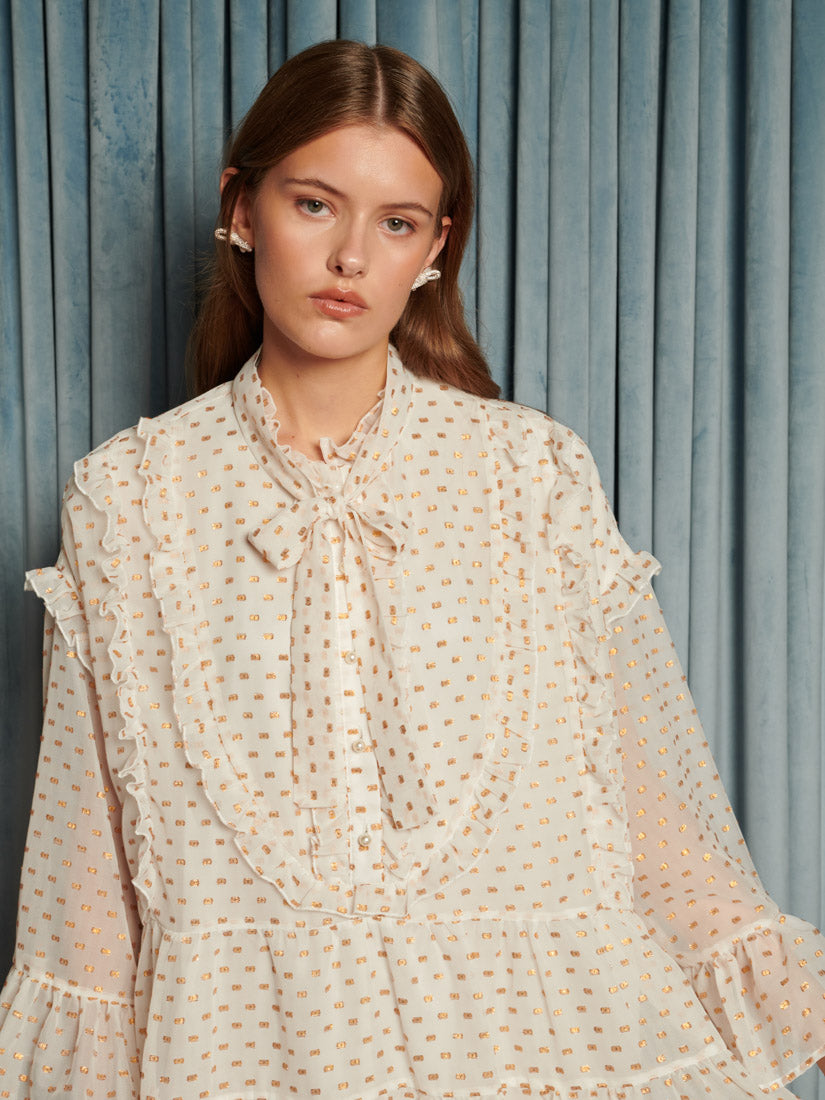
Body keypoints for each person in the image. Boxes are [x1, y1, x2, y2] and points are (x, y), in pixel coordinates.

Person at [0, 38, 823, 1100]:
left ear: (436, 247)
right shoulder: (130, 496)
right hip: (251, 1054)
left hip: (546, 1050)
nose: (350, 257)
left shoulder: (529, 473)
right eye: (314, 205)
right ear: (242, 209)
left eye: (396, 223)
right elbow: (82, 889)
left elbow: (663, 822)